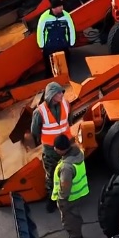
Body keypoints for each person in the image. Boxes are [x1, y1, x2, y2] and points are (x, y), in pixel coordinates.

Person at [30, 82, 72, 212]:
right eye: (58, 92)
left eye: (61, 92)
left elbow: (69, 121)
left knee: (66, 173)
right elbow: (34, 131)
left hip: (65, 147)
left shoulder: (66, 104)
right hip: (51, 150)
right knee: (51, 175)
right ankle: (52, 199)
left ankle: (65, 197)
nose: (61, 94)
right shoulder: (39, 112)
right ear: (51, 95)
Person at [51, 134, 89, 238]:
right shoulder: (78, 153)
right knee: (75, 215)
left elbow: (65, 186)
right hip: (78, 194)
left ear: (61, 150)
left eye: (55, 147)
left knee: (69, 220)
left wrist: (61, 200)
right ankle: (78, 236)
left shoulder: (66, 167)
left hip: (69, 198)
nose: (54, 149)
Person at [36, 0, 76, 77]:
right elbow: (40, 31)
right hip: (49, 47)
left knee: (65, 66)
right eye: (60, 6)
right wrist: (41, 45)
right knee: (49, 68)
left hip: (63, 45)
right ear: (54, 8)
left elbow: (71, 29)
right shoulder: (44, 17)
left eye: (62, 6)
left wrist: (71, 43)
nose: (62, 8)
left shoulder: (66, 15)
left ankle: (66, 81)